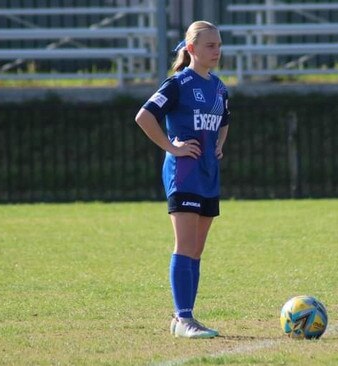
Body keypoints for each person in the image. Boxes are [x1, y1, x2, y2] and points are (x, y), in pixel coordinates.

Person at [134, 20, 230, 338]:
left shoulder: (218, 87)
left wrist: (219, 143)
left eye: (218, 45)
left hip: (207, 175)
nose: (217, 50)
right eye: (210, 45)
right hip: (184, 173)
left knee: (197, 250)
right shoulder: (178, 83)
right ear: (191, 49)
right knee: (185, 246)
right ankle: (184, 318)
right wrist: (171, 147)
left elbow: (224, 120)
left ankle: (183, 318)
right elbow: (144, 116)